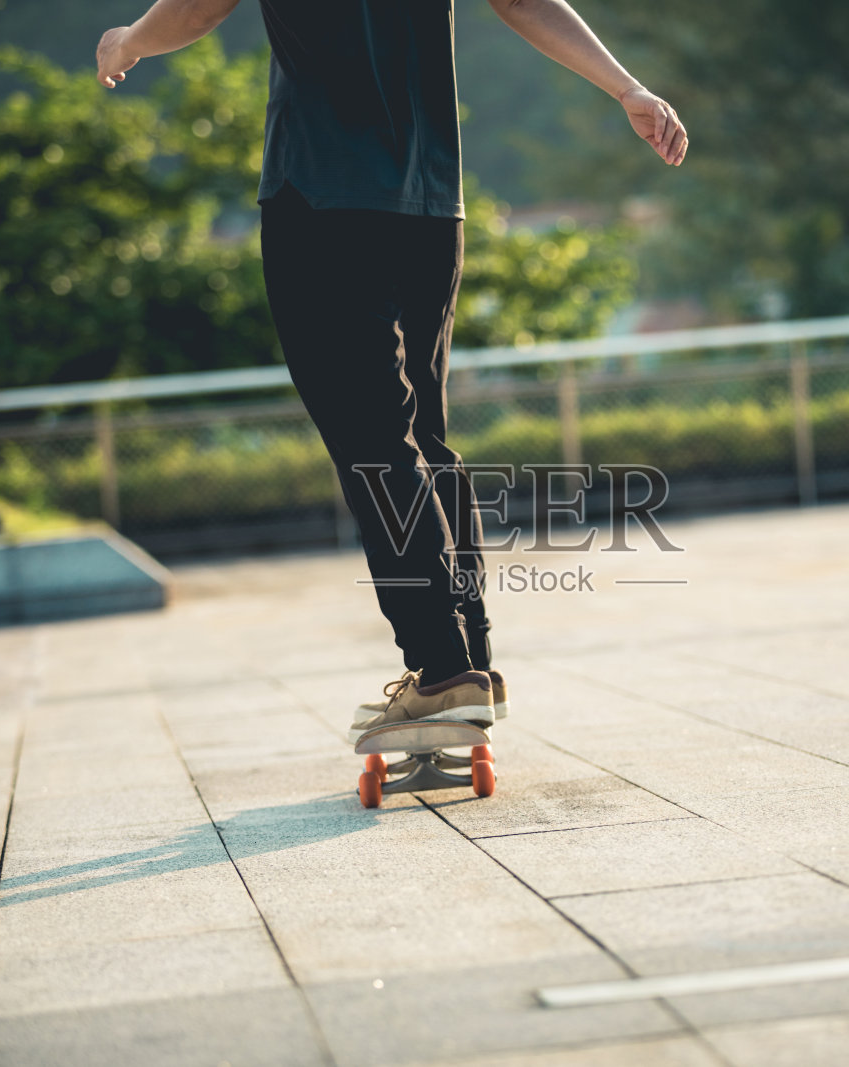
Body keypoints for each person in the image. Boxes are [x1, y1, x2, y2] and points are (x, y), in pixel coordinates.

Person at [97, 0, 687, 740]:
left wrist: (129, 43)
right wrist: (626, 87)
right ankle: (469, 663)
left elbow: (197, 9)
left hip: (323, 198)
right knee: (421, 435)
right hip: (431, 204)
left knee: (373, 438)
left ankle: (439, 672)